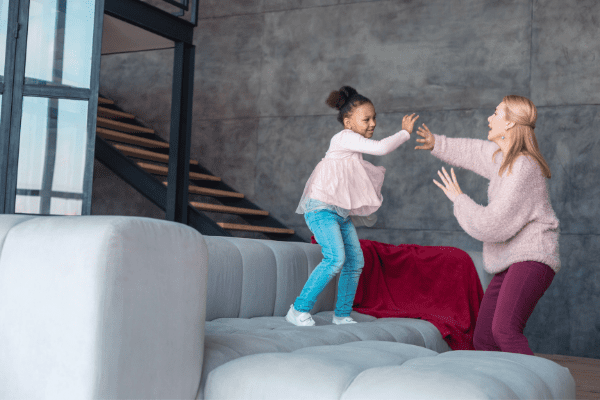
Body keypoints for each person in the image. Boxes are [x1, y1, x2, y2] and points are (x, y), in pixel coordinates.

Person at [415, 95, 560, 355]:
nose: (489, 118)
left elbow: (493, 224)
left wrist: (459, 199)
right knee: (484, 339)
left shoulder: (523, 166)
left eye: (496, 113)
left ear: (510, 124)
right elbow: (474, 152)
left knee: (504, 330)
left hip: (532, 258)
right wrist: (438, 143)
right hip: (510, 259)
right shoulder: (504, 161)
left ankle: (535, 391)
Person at [287, 86, 419, 326]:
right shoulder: (344, 138)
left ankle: (342, 314)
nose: (372, 124)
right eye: (366, 119)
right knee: (335, 258)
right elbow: (381, 148)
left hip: (339, 213)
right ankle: (298, 309)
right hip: (321, 210)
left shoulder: (353, 147)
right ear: (348, 122)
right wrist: (405, 133)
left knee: (355, 261)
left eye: (374, 118)